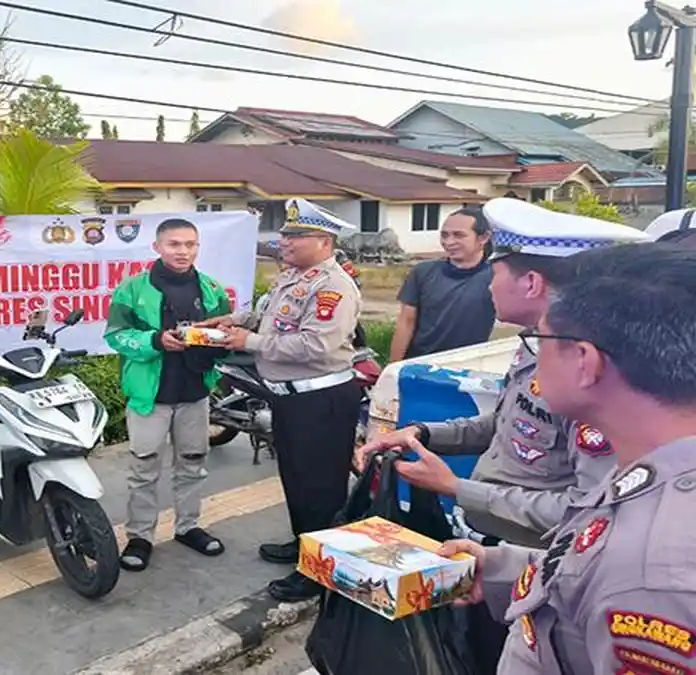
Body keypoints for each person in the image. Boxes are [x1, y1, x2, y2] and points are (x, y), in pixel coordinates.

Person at [356, 198, 648, 672]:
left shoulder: (587, 372)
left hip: (537, 562)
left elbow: (587, 509)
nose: (488, 286)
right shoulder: (535, 343)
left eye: (495, 273)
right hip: (489, 546)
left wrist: (455, 487)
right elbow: (505, 423)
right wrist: (423, 433)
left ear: (530, 282)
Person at [439, 242, 696, 674]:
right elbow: (593, 567)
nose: (534, 361)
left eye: (541, 339)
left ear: (584, 361)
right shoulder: (653, 472)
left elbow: (627, 577)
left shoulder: (655, 574)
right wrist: (505, 568)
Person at [201, 198, 362, 602]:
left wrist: (249, 342)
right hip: (291, 399)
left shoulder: (333, 287)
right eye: (285, 234)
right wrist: (234, 321)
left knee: (321, 488)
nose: (284, 242)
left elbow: (317, 345)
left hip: (321, 400)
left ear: (324, 241)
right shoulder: (294, 278)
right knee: (297, 480)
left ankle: (318, 574)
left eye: (294, 235)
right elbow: (272, 317)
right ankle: (303, 544)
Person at [104, 218, 232, 571]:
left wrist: (221, 340)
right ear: (157, 247)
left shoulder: (211, 289)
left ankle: (188, 526)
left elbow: (225, 333)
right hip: (150, 396)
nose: (183, 251)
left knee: (192, 463)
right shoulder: (131, 289)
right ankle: (140, 536)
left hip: (195, 392)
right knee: (144, 469)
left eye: (190, 244)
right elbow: (115, 335)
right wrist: (156, 340)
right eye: (174, 244)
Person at [388, 206, 496, 362]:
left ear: (483, 238)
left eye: (459, 235)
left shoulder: (495, 277)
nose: (449, 242)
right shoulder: (423, 272)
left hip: (468, 367)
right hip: (420, 364)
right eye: (444, 235)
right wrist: (393, 367)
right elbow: (406, 322)